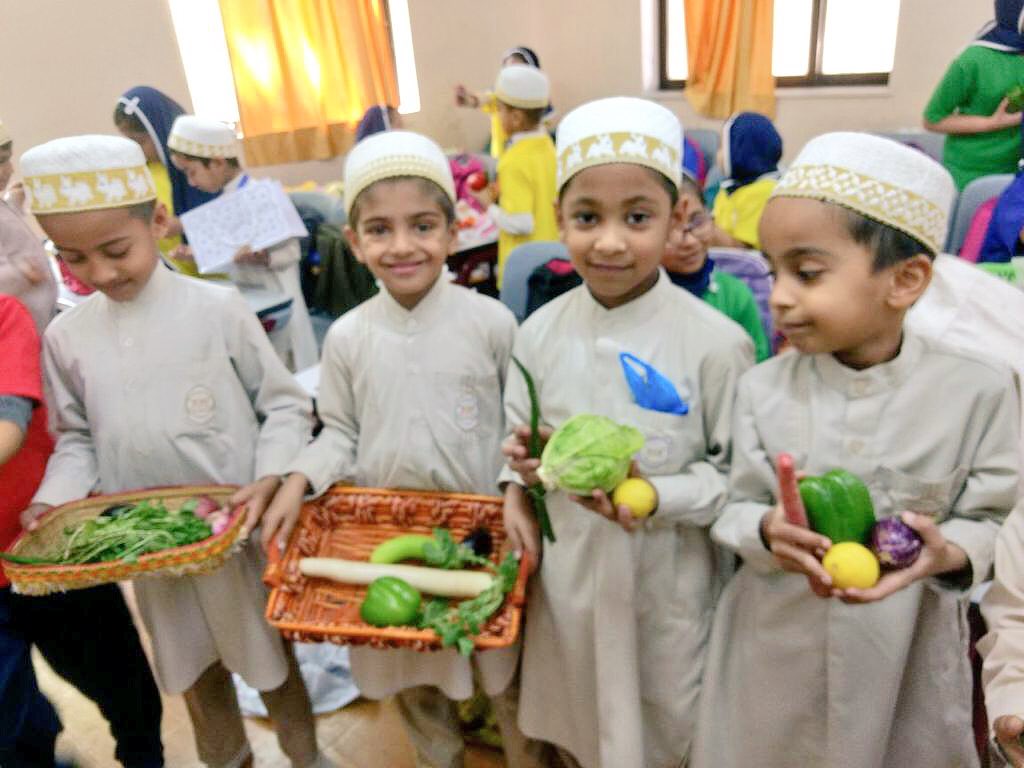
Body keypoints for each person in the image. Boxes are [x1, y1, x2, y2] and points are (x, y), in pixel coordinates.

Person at [691, 132, 1020, 768]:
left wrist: (945, 552)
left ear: (905, 279)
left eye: (807, 273)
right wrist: (766, 527)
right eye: (772, 270)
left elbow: (996, 524)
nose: (780, 296)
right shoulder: (761, 388)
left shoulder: (978, 391)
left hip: (902, 653)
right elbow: (731, 506)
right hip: (770, 645)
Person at [16, 134, 331, 768]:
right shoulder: (69, 337)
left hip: (236, 541)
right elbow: (77, 438)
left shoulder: (218, 309)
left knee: (273, 671)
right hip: (153, 555)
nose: (101, 274)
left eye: (116, 250)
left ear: (158, 220)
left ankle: (308, 759)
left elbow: (286, 407)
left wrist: (270, 478)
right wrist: (51, 501)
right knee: (194, 677)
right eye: (74, 258)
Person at [262, 130, 541, 768]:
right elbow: (339, 432)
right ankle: (437, 756)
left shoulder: (491, 323)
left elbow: (519, 427)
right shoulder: (350, 338)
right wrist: (298, 481)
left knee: (505, 679)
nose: (403, 246)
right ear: (355, 243)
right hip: (384, 539)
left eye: (421, 225)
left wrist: (513, 490)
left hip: (482, 538)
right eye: (380, 230)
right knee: (414, 679)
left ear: (453, 230)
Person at [500, 97, 754, 767]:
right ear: (560, 220)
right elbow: (516, 440)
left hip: (666, 583)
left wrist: (655, 495)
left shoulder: (716, 344)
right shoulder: (536, 333)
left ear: (675, 220)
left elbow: (736, 479)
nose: (609, 241)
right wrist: (517, 481)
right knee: (585, 721)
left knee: (667, 725)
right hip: (573, 579)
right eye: (587, 218)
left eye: (637, 217)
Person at [168, 115, 319, 372]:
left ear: (216, 162)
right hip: (253, 299)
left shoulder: (262, 195)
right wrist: (197, 255)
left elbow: (292, 252)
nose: (191, 182)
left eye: (191, 172)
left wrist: (265, 258)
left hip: (280, 298)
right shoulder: (224, 203)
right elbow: (231, 259)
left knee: (291, 366)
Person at [663, 167, 771, 360]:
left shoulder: (735, 295)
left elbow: (758, 366)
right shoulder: (637, 295)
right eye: (671, 228)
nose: (689, 241)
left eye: (697, 222)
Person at [469, 65, 558, 288]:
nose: (497, 115)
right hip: (553, 264)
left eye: (499, 109)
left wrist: (488, 205)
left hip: (524, 271)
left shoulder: (514, 160)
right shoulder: (548, 145)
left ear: (516, 118)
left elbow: (521, 224)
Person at [114, 86, 218, 271]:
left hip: (223, 273)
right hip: (179, 270)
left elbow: (228, 213)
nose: (135, 148)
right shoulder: (141, 173)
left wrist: (182, 225)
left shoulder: (194, 167)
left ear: (160, 131)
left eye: (140, 141)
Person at [923, 0, 1024, 189]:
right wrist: (992, 123)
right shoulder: (973, 60)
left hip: (1015, 175)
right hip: (970, 175)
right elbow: (933, 120)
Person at [454, 46, 551, 160]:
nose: (511, 78)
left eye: (518, 72)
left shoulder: (537, 106)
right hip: (500, 162)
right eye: (507, 71)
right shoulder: (501, 99)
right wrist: (468, 99)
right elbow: (484, 99)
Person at [709, 111, 782, 250]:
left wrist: (705, 227)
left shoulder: (764, 192)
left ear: (740, 151)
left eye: (722, 147)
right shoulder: (728, 188)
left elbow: (742, 250)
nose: (717, 155)